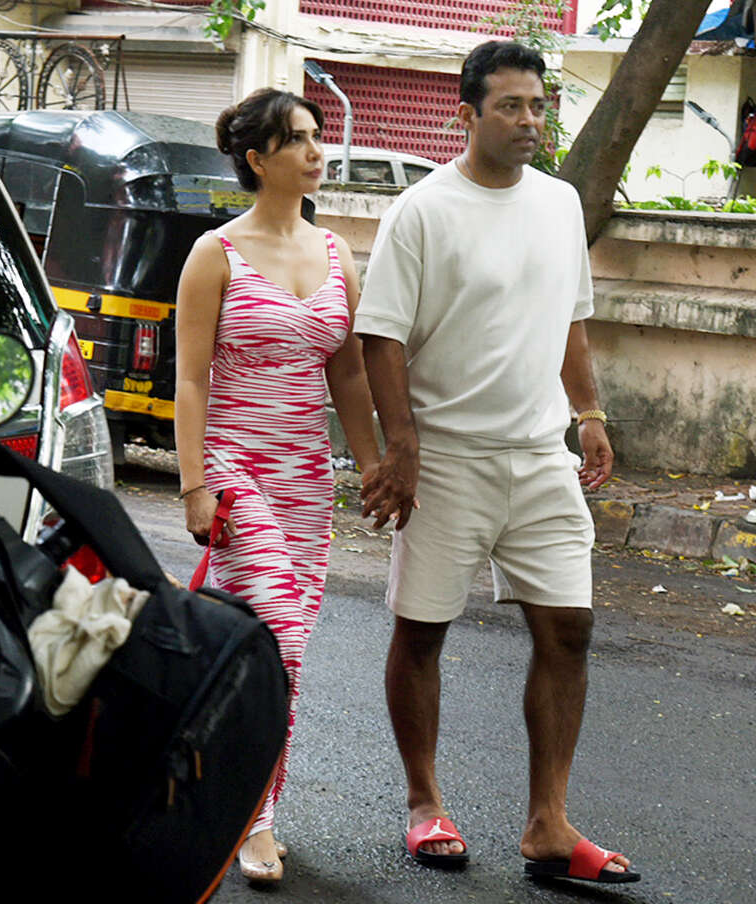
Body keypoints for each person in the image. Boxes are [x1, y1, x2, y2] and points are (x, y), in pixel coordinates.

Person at [355, 41, 641, 885]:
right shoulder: (424, 210)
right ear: (467, 115)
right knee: (423, 629)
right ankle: (423, 801)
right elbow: (381, 337)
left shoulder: (559, 204)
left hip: (539, 454)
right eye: (511, 106)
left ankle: (548, 824)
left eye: (539, 105)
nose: (529, 120)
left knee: (570, 626)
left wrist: (587, 413)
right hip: (445, 460)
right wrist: (400, 449)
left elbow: (570, 319)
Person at [174, 88, 380, 885]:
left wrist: (371, 466)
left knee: (282, 654)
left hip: (304, 476)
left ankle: (252, 799)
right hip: (233, 465)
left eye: (318, 135)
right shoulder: (214, 253)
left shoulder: (335, 254)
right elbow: (191, 380)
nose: (316, 149)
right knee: (280, 636)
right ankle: (252, 821)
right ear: (258, 160)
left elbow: (351, 371)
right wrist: (195, 485)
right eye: (297, 139)